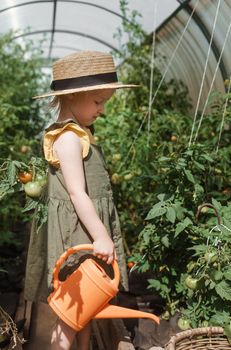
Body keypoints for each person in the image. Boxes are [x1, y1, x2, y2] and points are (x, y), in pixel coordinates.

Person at [24, 50, 138, 350]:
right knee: (72, 313)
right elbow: (76, 192)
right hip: (79, 234)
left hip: (84, 230)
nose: (102, 110)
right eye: (98, 101)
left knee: (87, 308)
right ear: (73, 97)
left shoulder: (79, 132)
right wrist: (101, 235)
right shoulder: (68, 138)